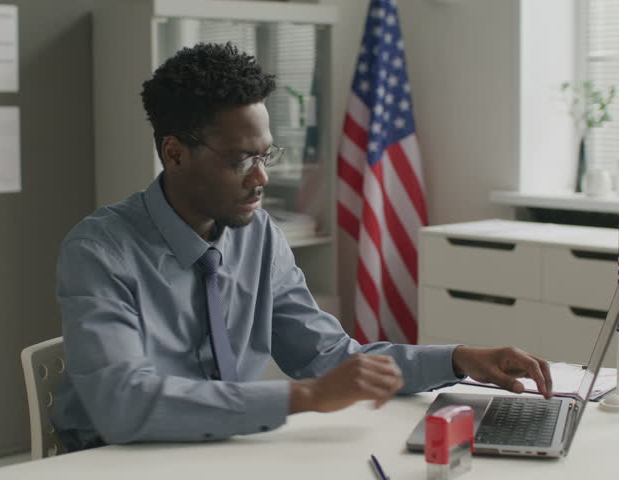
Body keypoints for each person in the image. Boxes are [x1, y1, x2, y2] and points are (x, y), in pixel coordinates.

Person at [51, 43, 552, 451]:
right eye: (241, 159)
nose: (262, 177)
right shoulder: (99, 250)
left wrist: (458, 360)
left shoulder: (259, 234)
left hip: (222, 449)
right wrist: (307, 397)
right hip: (114, 458)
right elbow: (123, 405)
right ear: (175, 154)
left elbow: (329, 356)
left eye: (266, 154)